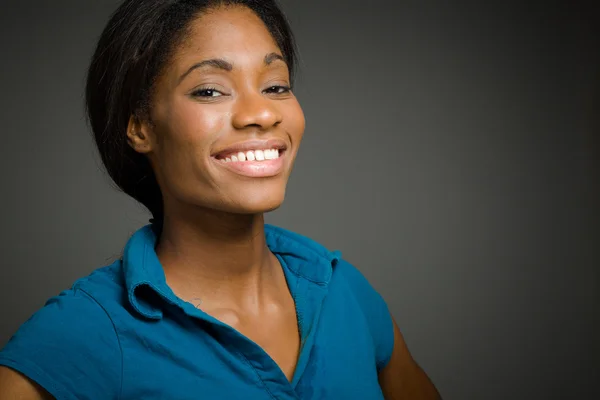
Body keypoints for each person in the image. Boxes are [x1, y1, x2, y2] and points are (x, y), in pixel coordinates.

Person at [0, 0, 441, 398]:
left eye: (275, 86)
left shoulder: (342, 291)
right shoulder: (83, 333)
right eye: (210, 90)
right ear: (140, 127)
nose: (263, 113)